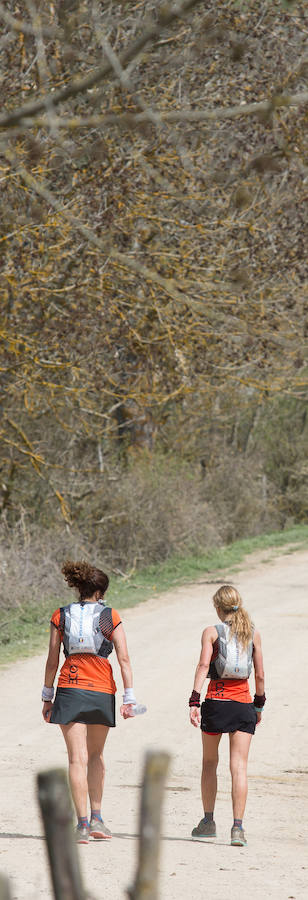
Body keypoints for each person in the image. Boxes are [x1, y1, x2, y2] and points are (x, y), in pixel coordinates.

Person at [42, 559, 142, 844]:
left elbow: (51, 661)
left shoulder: (60, 615)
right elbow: (123, 658)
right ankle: (98, 819)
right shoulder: (110, 615)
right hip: (101, 689)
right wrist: (129, 698)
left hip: (70, 688)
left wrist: (47, 696)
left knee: (77, 758)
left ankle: (82, 824)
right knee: (96, 756)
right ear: (100, 593)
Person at [189, 584, 265, 847]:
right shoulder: (252, 633)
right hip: (243, 704)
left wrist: (194, 699)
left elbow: (202, 665)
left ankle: (208, 822)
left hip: (216, 703)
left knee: (210, 762)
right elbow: (260, 675)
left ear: (218, 608)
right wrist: (259, 705)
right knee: (239, 767)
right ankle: (238, 828)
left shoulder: (211, 632)